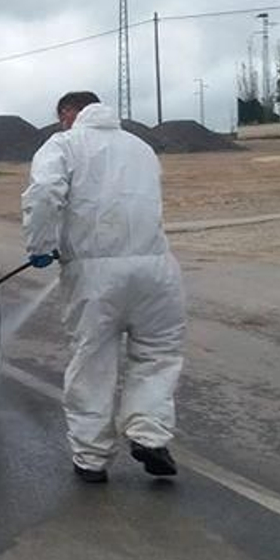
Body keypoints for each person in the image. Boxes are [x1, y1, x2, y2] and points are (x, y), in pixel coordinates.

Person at [21, 91, 185, 482]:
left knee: (93, 362)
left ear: (68, 113)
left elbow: (44, 194)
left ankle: (91, 460)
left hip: (95, 274)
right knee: (157, 355)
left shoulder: (63, 144)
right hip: (157, 269)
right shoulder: (141, 147)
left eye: (61, 117)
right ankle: (149, 435)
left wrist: (40, 246)